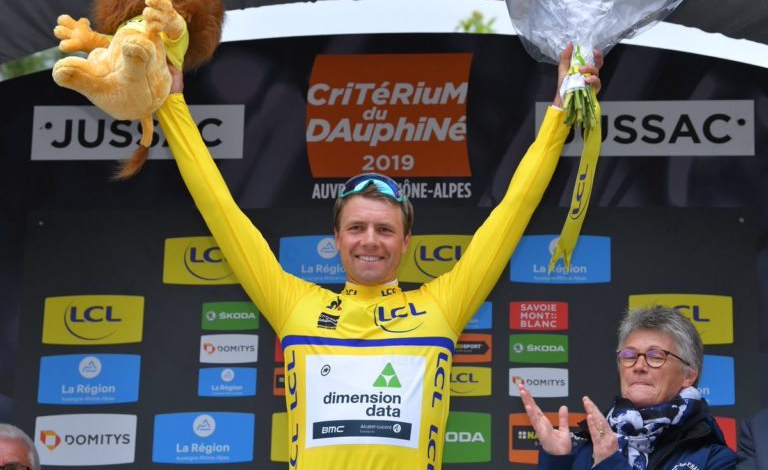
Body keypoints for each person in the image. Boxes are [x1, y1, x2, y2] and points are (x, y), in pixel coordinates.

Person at [156, 44, 601, 470]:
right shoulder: (294, 306)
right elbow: (220, 211)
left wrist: (560, 108)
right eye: (357, 228)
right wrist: (172, 104)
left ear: (406, 242)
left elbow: (514, 209)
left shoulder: (441, 307)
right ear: (336, 238)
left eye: (384, 229)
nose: (369, 240)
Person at [520, 306, 736, 470]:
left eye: (656, 356)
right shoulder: (584, 447)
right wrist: (557, 461)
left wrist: (609, 463)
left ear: (688, 376)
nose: (639, 366)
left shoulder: (716, 459)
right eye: (630, 355)